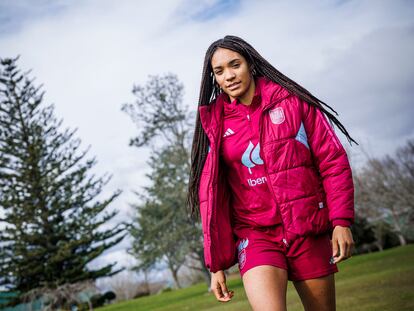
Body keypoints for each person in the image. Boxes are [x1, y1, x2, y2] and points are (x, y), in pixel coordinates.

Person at [187, 35, 355, 311]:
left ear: (250, 64)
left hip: (306, 228)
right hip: (255, 235)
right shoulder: (215, 123)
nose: (228, 76)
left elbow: (332, 161)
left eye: (234, 65)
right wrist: (215, 264)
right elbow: (211, 197)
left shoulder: (293, 102)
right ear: (214, 78)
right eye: (219, 71)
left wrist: (341, 221)